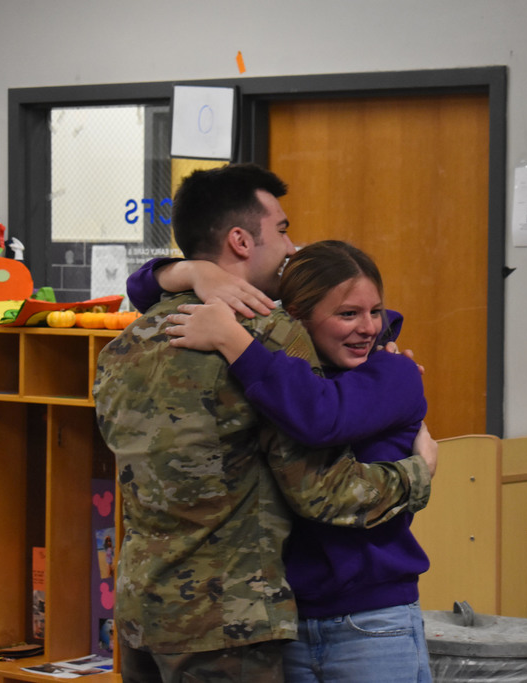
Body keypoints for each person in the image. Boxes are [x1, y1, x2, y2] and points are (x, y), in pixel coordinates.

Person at [94, 163, 436, 683]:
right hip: (228, 619)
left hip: (142, 609)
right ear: (239, 239)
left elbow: (144, 286)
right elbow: (321, 489)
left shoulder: (131, 339)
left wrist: (188, 271)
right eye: (281, 230)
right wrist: (418, 473)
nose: (292, 246)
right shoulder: (269, 337)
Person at [159, 240, 432, 682]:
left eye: (375, 311)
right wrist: (192, 273)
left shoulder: (392, 374)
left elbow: (320, 417)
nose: (368, 328)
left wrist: (234, 341)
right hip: (284, 624)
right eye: (348, 314)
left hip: (373, 620)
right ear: (298, 319)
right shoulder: (289, 375)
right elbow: (141, 288)